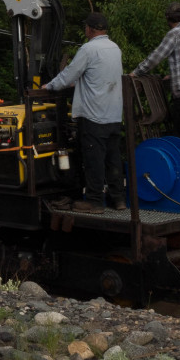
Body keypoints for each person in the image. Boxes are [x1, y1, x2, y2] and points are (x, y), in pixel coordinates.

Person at [43, 12, 125, 213]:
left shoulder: (88, 49)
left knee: (93, 160)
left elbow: (69, 74)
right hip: (114, 114)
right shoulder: (115, 48)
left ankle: (95, 201)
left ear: (89, 29)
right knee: (113, 158)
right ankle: (119, 199)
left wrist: (49, 86)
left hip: (94, 115)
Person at [130, 2, 180, 142]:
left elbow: (155, 58)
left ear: (168, 18)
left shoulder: (174, 34)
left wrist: (136, 73)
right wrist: (174, 76)